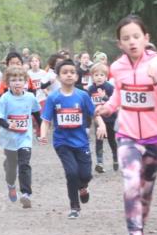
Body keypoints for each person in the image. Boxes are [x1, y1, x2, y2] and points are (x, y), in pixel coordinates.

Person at [96, 15, 157, 235]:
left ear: (146, 38)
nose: (132, 42)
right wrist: (108, 107)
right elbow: (119, 94)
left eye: (136, 36)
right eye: (126, 38)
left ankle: (138, 231)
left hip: (154, 138)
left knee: (145, 191)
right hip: (127, 135)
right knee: (131, 182)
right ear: (119, 44)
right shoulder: (117, 67)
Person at [37, 60, 106, 219]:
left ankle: (83, 186)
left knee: (86, 175)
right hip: (62, 142)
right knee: (71, 173)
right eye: (65, 72)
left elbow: (94, 114)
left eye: (72, 72)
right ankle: (74, 207)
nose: (69, 75)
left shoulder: (83, 96)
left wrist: (101, 125)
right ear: (58, 77)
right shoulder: (53, 97)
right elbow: (46, 120)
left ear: (76, 76)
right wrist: (43, 135)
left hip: (81, 142)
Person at [0, 66, 41, 209]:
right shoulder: (4, 98)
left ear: (25, 82)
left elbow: (37, 114)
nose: (17, 83)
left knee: (24, 164)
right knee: (11, 168)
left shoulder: (30, 97)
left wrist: (42, 131)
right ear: (7, 83)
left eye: (20, 80)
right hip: (9, 139)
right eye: (13, 80)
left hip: (25, 138)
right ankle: (11, 184)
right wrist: (9, 125)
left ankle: (26, 194)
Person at [87, 62, 119, 173]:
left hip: (110, 119)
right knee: (99, 140)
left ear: (106, 77)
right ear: (92, 77)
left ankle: (116, 158)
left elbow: (114, 102)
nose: (99, 77)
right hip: (98, 120)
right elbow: (88, 104)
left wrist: (104, 97)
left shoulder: (110, 87)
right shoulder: (91, 89)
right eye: (96, 75)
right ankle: (99, 163)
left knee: (111, 140)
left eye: (102, 75)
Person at [27, 53, 53, 131]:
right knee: (34, 119)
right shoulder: (27, 74)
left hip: (42, 98)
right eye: (32, 61)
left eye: (36, 61)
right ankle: (37, 131)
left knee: (42, 116)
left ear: (39, 62)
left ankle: (42, 133)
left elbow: (49, 86)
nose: (34, 63)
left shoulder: (43, 73)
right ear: (30, 63)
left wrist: (48, 93)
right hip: (32, 99)